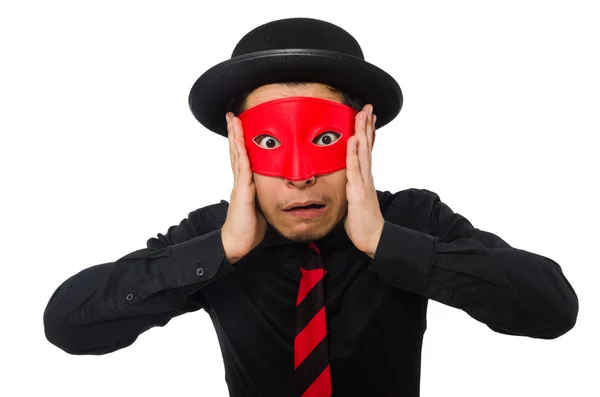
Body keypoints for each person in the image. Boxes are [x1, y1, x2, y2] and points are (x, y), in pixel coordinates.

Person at [43, 17, 579, 397]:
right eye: (271, 144)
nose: (300, 174)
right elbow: (69, 325)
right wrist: (222, 251)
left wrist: (387, 243)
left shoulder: (413, 219)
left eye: (325, 140)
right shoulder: (215, 233)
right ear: (238, 149)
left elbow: (552, 310)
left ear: (363, 140)